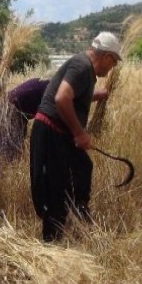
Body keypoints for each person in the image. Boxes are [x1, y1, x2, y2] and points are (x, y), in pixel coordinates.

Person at [29, 32, 120, 242]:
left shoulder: (85, 69)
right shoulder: (82, 66)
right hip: (50, 133)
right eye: (113, 62)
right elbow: (62, 98)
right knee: (54, 192)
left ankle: (79, 213)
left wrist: (97, 95)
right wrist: (80, 132)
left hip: (59, 134)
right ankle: (51, 246)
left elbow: (75, 95)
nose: (112, 67)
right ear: (106, 57)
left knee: (83, 168)